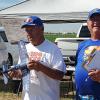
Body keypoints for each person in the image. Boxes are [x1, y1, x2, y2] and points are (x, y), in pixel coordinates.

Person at [9, 16, 66, 100]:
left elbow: (60, 75)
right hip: (28, 97)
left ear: (41, 29)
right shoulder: (25, 48)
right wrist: (16, 73)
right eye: (27, 30)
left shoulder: (53, 49)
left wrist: (40, 67)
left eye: (31, 29)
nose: (28, 33)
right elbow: (22, 72)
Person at [75, 8, 100, 100]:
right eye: (93, 19)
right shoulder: (82, 45)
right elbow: (80, 68)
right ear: (88, 23)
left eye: (99, 19)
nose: (97, 22)